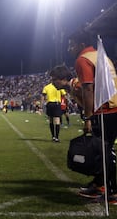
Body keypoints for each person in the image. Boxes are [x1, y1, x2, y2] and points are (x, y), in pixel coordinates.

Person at [50, 30, 117, 204]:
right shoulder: (98, 56)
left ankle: (111, 190)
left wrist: (88, 118)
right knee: (103, 151)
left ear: (80, 44)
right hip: (112, 107)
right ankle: (100, 184)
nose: (69, 47)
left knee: (104, 152)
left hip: (104, 109)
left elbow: (88, 88)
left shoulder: (83, 59)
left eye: (71, 44)